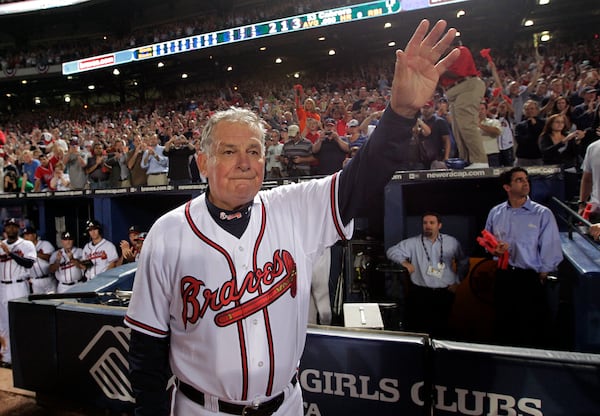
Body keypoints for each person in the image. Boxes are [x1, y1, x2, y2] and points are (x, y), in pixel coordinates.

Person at [125, 19, 459, 416]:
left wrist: (400, 112)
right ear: (203, 162)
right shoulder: (168, 232)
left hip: (285, 406)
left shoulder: (293, 206)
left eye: (254, 151)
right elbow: (146, 349)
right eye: (229, 151)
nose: (245, 163)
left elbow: (363, 177)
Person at [485, 167, 563, 348]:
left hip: (530, 278)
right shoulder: (496, 212)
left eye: (526, 179)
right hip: (504, 276)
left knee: (532, 328)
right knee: (504, 325)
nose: (525, 182)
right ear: (507, 187)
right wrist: (494, 250)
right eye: (519, 180)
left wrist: (544, 272)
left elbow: (551, 246)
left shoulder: (542, 213)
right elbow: (487, 240)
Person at [386, 212, 468, 337]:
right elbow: (392, 251)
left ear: (439, 225)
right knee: (418, 331)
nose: (428, 226)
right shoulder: (413, 243)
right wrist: (404, 262)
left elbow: (464, 262)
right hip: (420, 294)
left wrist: (457, 281)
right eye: (425, 223)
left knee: (441, 331)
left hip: (444, 294)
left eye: (432, 223)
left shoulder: (451, 242)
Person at [439, 43, 488, 168]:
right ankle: (467, 160)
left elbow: (458, 73)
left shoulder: (460, 51)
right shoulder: (442, 60)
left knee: (466, 124)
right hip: (453, 92)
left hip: (468, 86)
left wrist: (438, 68)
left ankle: (480, 161)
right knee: (457, 127)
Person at [0, 218, 36, 367]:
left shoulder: (26, 244)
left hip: (19, 286)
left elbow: (29, 263)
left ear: (18, 229)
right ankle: (8, 358)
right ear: (5, 229)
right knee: (4, 325)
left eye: (14, 226)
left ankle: (25, 357)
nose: (11, 229)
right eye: (9, 226)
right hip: (2, 287)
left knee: (20, 323)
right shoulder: (0, 245)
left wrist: (10, 254)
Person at [22, 226, 56, 294]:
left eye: (28, 235)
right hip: (35, 282)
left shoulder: (45, 244)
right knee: (38, 303)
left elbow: (49, 258)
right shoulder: (23, 249)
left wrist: (35, 253)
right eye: (25, 235)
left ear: (34, 235)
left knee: (53, 302)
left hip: (48, 279)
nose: (26, 237)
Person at [514, 100, 544, 166]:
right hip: (523, 157)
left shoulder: (544, 123)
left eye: (532, 108)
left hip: (539, 156)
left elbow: (542, 138)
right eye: (527, 109)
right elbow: (520, 140)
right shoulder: (520, 125)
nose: (530, 111)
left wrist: (535, 125)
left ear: (537, 110)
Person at [579, 138, 600, 222]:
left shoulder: (593, 146)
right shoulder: (593, 147)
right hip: (597, 210)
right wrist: (582, 204)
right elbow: (587, 179)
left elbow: (587, 179)